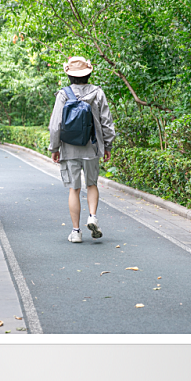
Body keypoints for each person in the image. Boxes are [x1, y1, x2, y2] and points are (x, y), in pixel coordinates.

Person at [49, 57, 116, 244]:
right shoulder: (98, 93)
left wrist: (54, 148)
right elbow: (107, 123)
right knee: (92, 184)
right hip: (92, 147)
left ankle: (76, 232)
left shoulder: (63, 94)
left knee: (74, 189)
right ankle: (92, 217)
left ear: (69, 75)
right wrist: (107, 145)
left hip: (69, 149)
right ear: (89, 73)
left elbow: (56, 126)